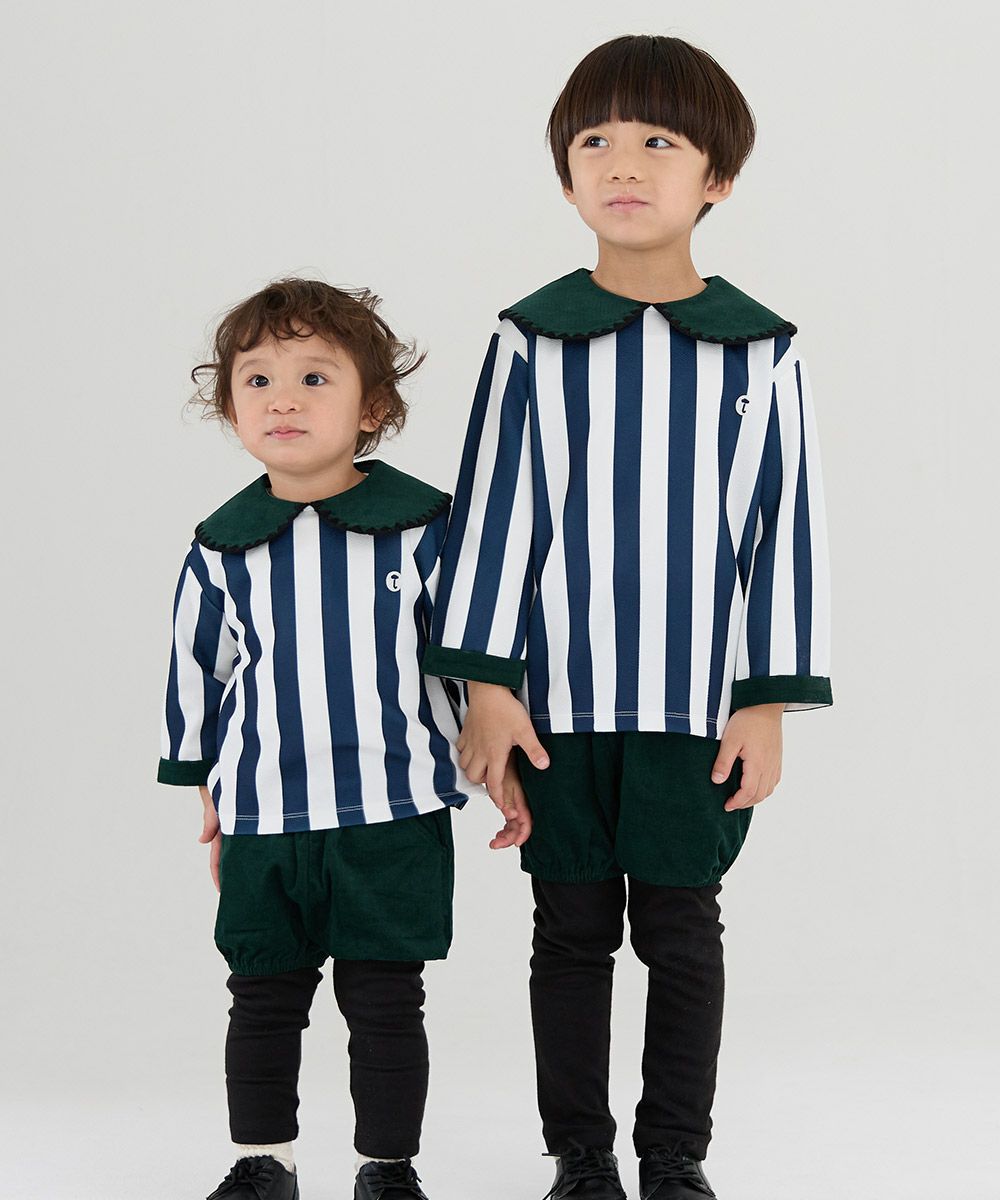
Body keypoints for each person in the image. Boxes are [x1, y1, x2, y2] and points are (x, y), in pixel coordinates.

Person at [422, 35, 833, 1200]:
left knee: (683, 934)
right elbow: (493, 514)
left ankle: (673, 1158)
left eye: (659, 140)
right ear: (565, 177)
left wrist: (766, 699)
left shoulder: (761, 351)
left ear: (717, 179)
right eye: (595, 140)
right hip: (555, 704)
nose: (623, 163)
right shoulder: (530, 340)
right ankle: (581, 1158)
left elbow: (782, 526)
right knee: (568, 933)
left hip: (693, 707)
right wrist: (487, 688)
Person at [158, 278, 530, 1200]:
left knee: (386, 999)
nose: (282, 400)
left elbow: (473, 655)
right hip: (266, 815)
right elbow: (198, 669)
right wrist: (209, 786)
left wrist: (500, 770)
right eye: (258, 380)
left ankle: (388, 1168)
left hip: (393, 810)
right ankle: (264, 1162)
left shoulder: (425, 529)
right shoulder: (221, 547)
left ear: (372, 408)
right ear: (231, 408)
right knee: (262, 993)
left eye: (314, 378)